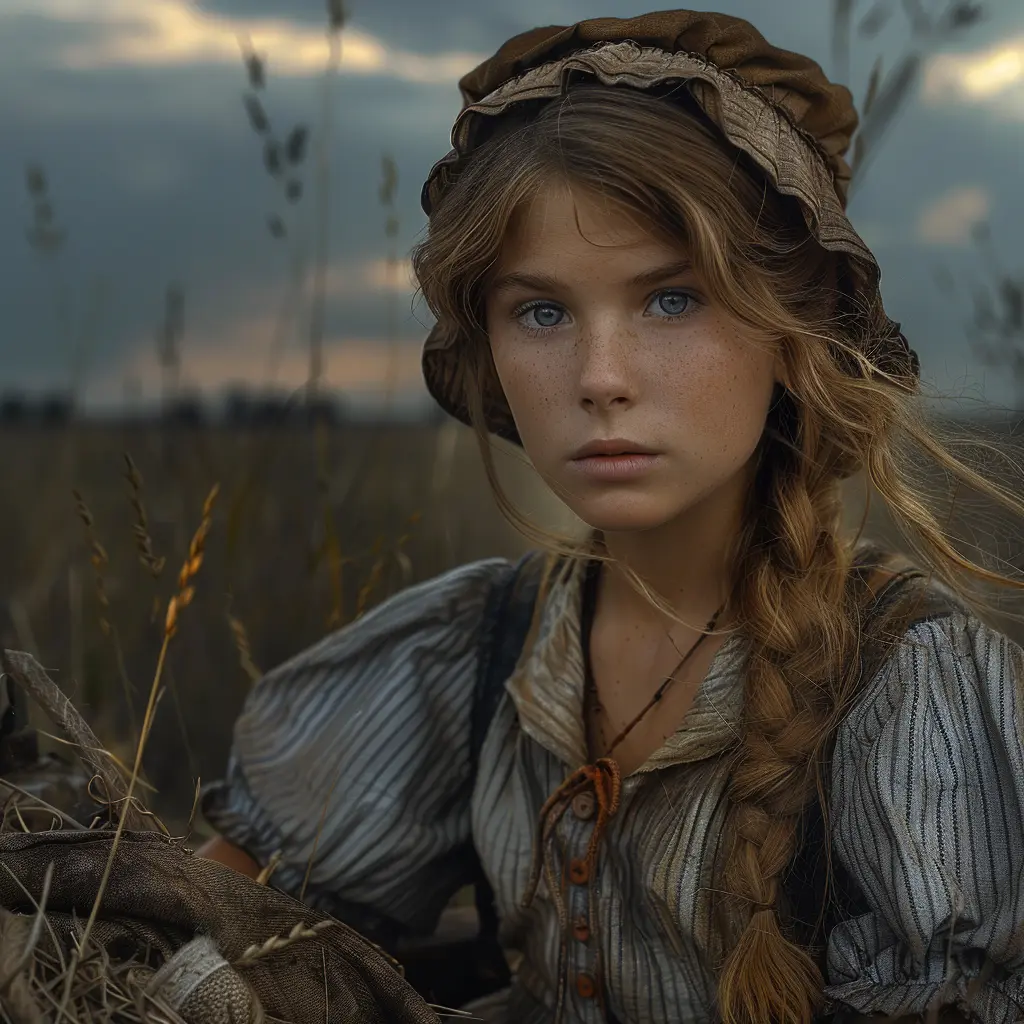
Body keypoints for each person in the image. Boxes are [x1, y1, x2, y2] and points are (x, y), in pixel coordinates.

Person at [197, 11, 1024, 1024]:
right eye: (539, 311)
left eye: (670, 300)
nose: (599, 379)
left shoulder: (904, 684)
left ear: (790, 326)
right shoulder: (481, 649)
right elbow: (218, 909)